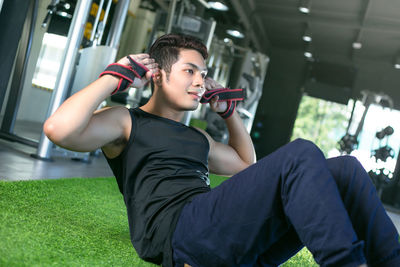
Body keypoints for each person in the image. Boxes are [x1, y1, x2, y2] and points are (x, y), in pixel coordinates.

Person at [44, 33, 400, 267]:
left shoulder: (199, 139)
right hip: (181, 235)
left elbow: (248, 165)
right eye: (189, 70)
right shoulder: (126, 121)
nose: (200, 80)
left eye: (203, 73)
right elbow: (58, 130)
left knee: (346, 168)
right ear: (157, 74)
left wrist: (230, 114)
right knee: (302, 151)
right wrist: (113, 77)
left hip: (226, 243)